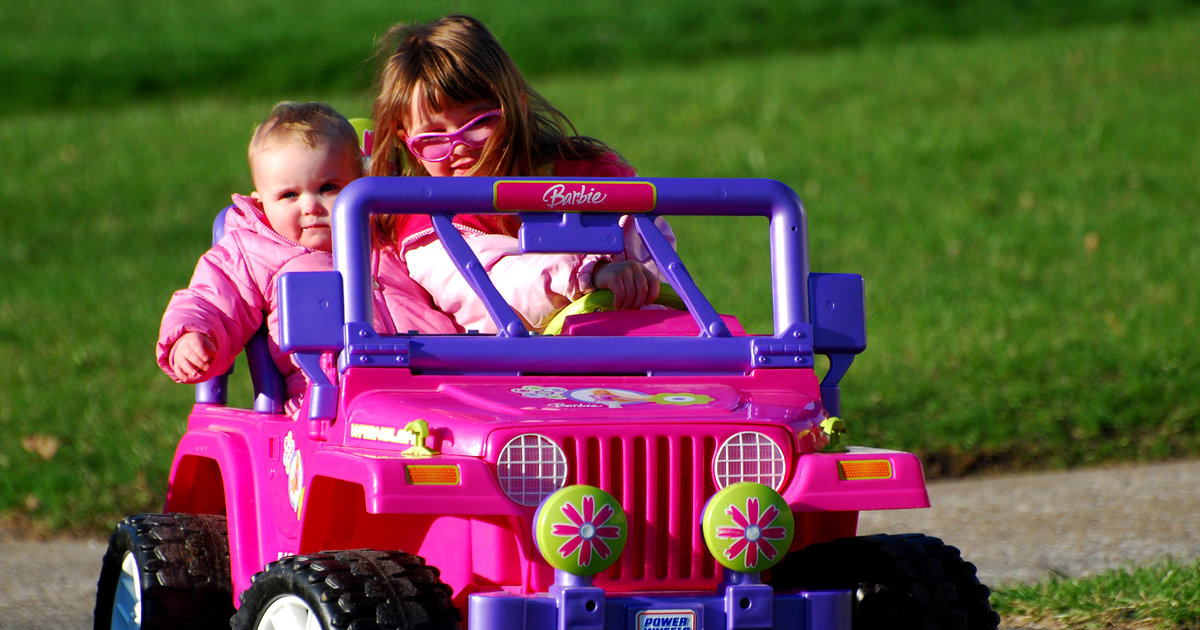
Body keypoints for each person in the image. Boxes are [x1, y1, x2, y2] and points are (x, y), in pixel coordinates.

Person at [368, 14, 675, 332]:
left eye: (479, 122)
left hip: (628, 344)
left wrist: (634, 283)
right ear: (406, 139)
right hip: (513, 362)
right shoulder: (427, 224)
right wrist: (587, 275)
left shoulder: (591, 179)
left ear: (517, 107)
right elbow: (491, 287)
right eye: (433, 137)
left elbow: (660, 270)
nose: (458, 145)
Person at [157, 101, 457, 414]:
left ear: (360, 183)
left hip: (440, 383)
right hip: (332, 406)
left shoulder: (388, 235)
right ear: (262, 202)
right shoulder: (255, 252)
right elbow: (212, 300)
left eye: (328, 187)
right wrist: (192, 334)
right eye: (290, 195)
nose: (311, 206)